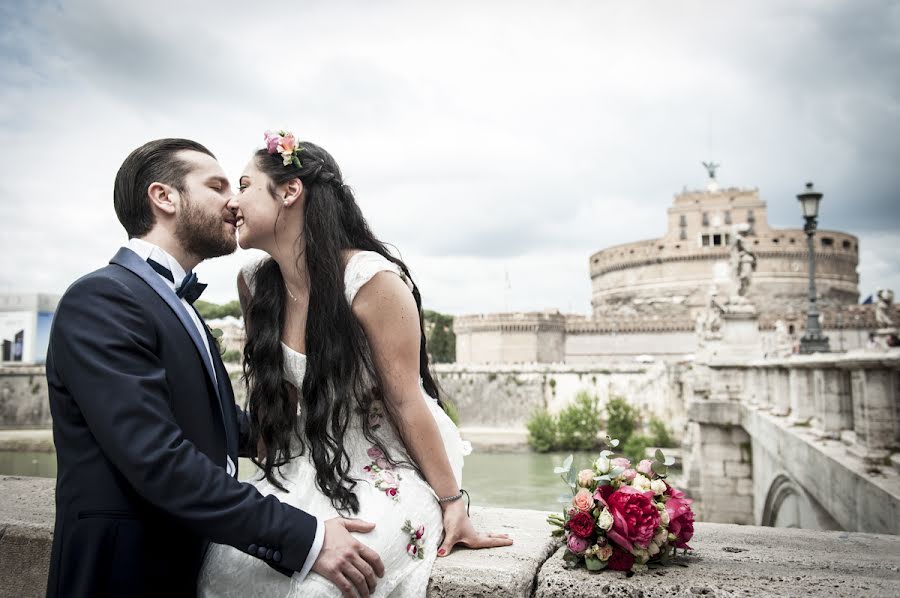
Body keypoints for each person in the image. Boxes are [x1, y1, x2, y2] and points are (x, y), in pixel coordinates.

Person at [46, 139, 383, 598]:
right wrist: (306, 537)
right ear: (164, 197)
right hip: (124, 571)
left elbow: (208, 423)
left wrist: (342, 430)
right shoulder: (101, 299)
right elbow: (158, 459)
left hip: (183, 563)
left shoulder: (175, 304)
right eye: (217, 185)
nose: (234, 200)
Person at [198, 131, 512, 597]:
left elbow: (406, 400)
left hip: (391, 468)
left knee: (322, 589)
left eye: (244, 185)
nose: (232, 203)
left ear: (289, 192)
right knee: (223, 572)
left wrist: (452, 503)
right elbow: (278, 392)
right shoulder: (253, 283)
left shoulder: (370, 280)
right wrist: (269, 475)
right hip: (309, 460)